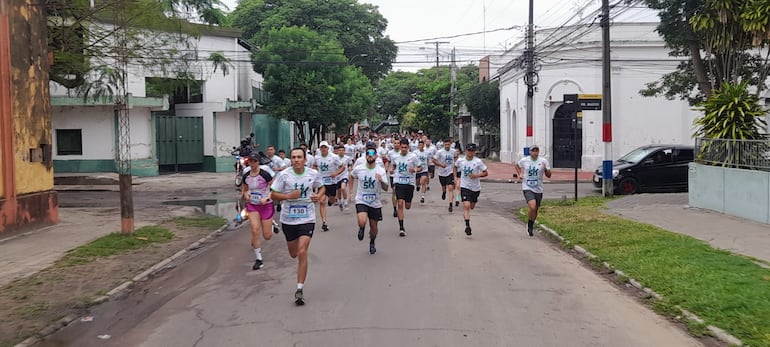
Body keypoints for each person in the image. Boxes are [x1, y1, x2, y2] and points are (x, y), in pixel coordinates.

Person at [270, 148, 325, 306]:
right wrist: (287, 196)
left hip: (307, 217)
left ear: (305, 159)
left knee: (302, 251)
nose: (296, 160)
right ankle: (299, 264)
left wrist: (318, 196)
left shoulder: (312, 174)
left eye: (299, 157)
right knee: (294, 253)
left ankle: (299, 288)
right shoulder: (284, 175)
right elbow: (273, 194)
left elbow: (322, 187)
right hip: (288, 219)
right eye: (293, 157)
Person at [351, 144, 390, 254]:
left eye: (372, 154)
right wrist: (350, 192)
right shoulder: (359, 168)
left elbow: (386, 188)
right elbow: (351, 175)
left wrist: (381, 180)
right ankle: (362, 228)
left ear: (376, 156)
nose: (370, 156)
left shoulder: (380, 170)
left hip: (375, 202)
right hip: (361, 199)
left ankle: (372, 242)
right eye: (368, 154)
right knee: (362, 220)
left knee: (374, 229)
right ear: (365, 155)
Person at [241, 152, 276, 270]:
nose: (253, 163)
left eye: (255, 161)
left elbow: (275, 187)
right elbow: (245, 189)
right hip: (253, 205)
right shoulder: (246, 173)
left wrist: (267, 197)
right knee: (255, 230)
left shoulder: (265, 173)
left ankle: (271, 224)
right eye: (250, 161)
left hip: (266, 205)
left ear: (258, 162)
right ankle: (259, 259)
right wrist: (246, 196)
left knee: (267, 236)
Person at [515, 144, 551, 237]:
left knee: (535, 210)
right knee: (532, 206)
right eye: (533, 151)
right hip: (527, 187)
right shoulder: (525, 160)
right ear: (530, 152)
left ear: (538, 152)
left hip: (538, 188)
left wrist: (545, 169)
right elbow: (517, 166)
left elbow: (549, 175)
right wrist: (520, 174)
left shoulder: (543, 161)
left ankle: (530, 223)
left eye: (536, 151)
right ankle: (530, 226)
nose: (535, 153)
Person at [389, 138, 422, 237]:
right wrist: (392, 170)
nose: (403, 149)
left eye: (405, 147)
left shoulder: (413, 157)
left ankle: (408, 204)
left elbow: (421, 167)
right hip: (399, 182)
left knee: (407, 206)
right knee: (400, 203)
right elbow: (394, 166)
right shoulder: (396, 157)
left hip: (409, 183)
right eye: (402, 147)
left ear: (408, 147)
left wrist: (415, 169)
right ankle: (401, 228)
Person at [454, 143, 488, 236]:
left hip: (475, 188)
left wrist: (476, 175)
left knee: (471, 206)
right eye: (469, 150)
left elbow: (485, 173)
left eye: (472, 151)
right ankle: (467, 226)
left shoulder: (478, 161)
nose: (470, 153)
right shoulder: (461, 160)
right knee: (466, 205)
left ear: (475, 152)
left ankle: (466, 216)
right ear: (465, 151)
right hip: (465, 186)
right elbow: (455, 167)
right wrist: (456, 178)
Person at [313, 141, 345, 232]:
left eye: (325, 147)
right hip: (321, 183)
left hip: (332, 182)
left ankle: (331, 201)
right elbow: (314, 166)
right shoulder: (317, 158)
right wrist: (316, 174)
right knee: (322, 201)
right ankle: (324, 222)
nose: (323, 149)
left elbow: (342, 167)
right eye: (321, 147)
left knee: (331, 199)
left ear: (328, 148)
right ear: (320, 149)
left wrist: (336, 173)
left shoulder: (334, 157)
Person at [433, 139, 458, 212]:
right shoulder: (440, 152)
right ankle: (444, 192)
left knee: (450, 188)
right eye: (445, 144)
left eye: (448, 144)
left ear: (450, 144)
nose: (447, 146)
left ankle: (450, 204)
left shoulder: (453, 151)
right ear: (444, 144)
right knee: (444, 186)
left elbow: (456, 158)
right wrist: (440, 165)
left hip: (450, 171)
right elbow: (434, 160)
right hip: (442, 172)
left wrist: (455, 165)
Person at [334, 144, 353, 211]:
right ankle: (340, 202)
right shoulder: (335, 158)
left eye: (342, 150)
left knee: (343, 188)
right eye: (340, 150)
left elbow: (350, 164)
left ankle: (345, 202)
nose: (341, 151)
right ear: (337, 151)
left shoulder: (347, 158)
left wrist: (350, 168)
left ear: (344, 151)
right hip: (337, 176)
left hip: (344, 175)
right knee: (339, 192)